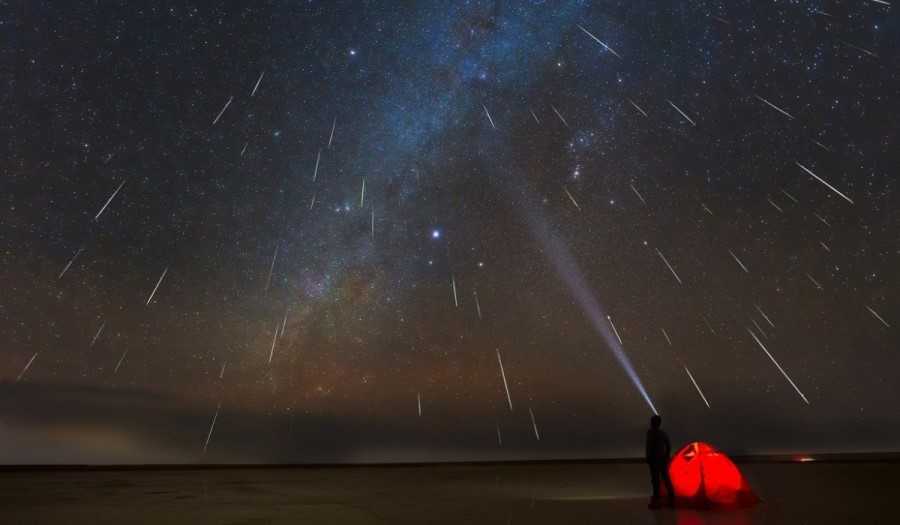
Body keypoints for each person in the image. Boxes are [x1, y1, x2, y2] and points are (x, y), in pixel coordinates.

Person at [646, 414, 674, 508]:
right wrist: (666, 456)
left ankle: (657, 499)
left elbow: (649, 446)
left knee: (655, 479)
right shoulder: (662, 433)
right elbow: (668, 445)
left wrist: (648, 457)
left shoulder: (650, 433)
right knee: (664, 478)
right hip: (661, 459)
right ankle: (670, 497)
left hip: (655, 459)